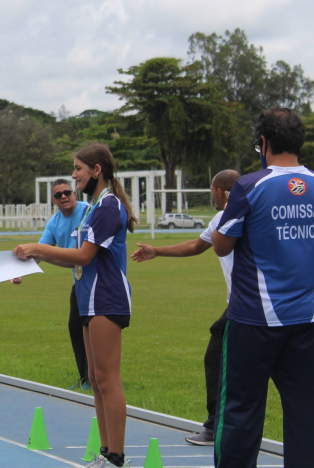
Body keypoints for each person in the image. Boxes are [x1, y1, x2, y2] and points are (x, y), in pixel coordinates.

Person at [14, 143, 136, 468]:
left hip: (106, 297)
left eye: (78, 169)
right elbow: (74, 262)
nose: (73, 175)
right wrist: (36, 254)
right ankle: (106, 452)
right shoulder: (95, 206)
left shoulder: (108, 205)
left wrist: (37, 249)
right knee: (95, 379)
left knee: (108, 379)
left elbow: (83, 256)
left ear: (96, 170)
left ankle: (116, 457)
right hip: (88, 297)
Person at [211, 108, 314, 468]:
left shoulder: (250, 185)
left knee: (240, 410)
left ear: (264, 142)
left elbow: (221, 244)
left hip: (255, 318)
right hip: (307, 318)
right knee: (306, 413)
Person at [130, 169, 239, 446]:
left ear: (220, 191)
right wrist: (157, 251)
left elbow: (197, 246)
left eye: (212, 189)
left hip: (245, 305)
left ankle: (216, 429)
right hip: (262, 304)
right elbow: (195, 245)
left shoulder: (224, 217)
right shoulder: (252, 213)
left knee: (217, 359)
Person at [13, 178, 90, 390]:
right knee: (76, 329)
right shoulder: (54, 223)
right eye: (58, 195)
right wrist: (20, 273)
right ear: (53, 200)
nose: (64, 197)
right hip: (80, 281)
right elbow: (39, 251)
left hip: (97, 281)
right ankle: (85, 380)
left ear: (74, 194)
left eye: (67, 192)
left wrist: (42, 256)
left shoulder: (88, 212)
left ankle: (97, 380)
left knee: (92, 332)